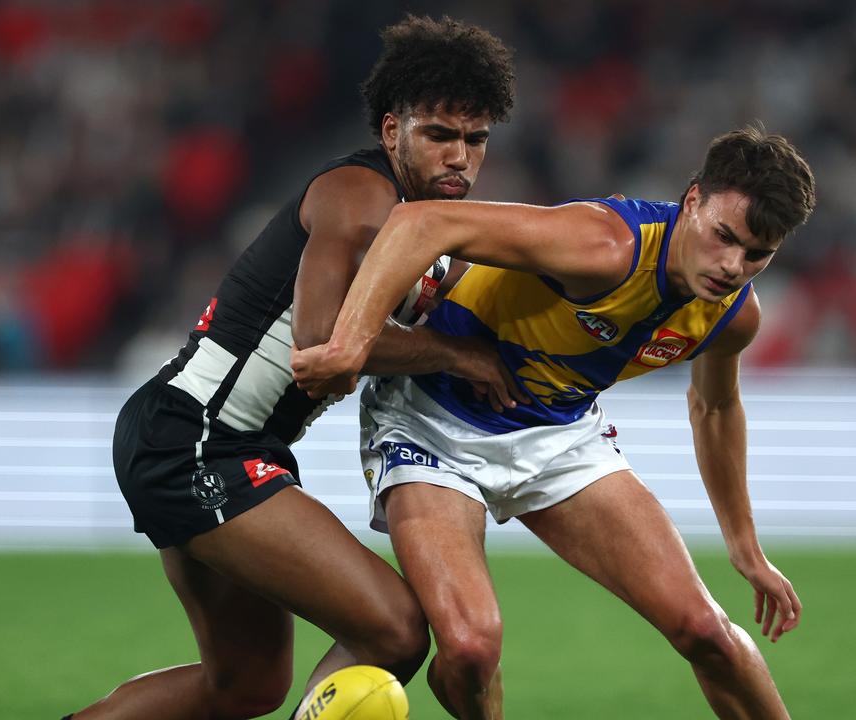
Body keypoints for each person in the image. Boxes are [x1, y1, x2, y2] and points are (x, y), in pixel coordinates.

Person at [66, 16, 518, 720]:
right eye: (440, 135)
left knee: (244, 686)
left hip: (208, 440)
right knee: (394, 630)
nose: (459, 156)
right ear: (393, 130)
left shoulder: (434, 229)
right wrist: (457, 354)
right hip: (198, 440)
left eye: (475, 139)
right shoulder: (360, 196)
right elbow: (319, 349)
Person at [291, 126, 816, 719]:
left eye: (757, 256)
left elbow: (715, 407)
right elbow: (421, 224)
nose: (732, 266)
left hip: (558, 434)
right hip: (430, 421)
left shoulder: (733, 316)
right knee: (469, 647)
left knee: (706, 630)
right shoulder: (603, 245)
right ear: (693, 200)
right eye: (725, 236)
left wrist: (745, 548)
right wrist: (349, 344)